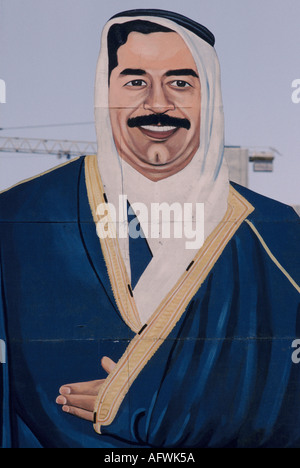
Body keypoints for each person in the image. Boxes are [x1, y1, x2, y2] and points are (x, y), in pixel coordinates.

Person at [0, 9, 299, 449]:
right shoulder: (19, 216)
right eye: (136, 81)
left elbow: (287, 393)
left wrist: (158, 406)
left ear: (209, 97)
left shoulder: (274, 232)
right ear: (106, 92)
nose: (158, 104)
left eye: (181, 82)